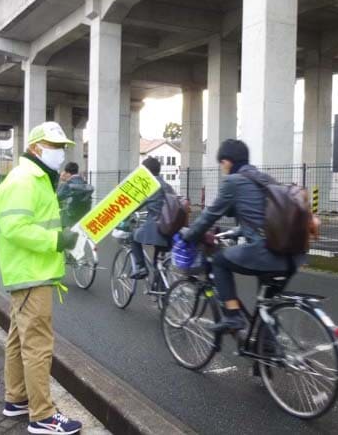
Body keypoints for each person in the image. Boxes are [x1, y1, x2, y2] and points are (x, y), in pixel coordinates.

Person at [0, 121, 83, 435]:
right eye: (54, 146)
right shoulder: (24, 180)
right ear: (35, 148)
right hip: (32, 273)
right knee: (38, 345)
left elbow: (39, 224)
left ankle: (16, 398)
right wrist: (58, 241)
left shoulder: (37, 179)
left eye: (62, 147)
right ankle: (43, 416)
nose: (60, 153)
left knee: (19, 340)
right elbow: (15, 229)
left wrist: (65, 242)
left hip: (29, 271)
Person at [181, 139, 305, 333]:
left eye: (221, 163)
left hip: (267, 253)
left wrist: (189, 236)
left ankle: (232, 316)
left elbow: (209, 216)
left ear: (227, 161)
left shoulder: (233, 182)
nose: (221, 168)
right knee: (266, 307)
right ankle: (269, 348)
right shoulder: (265, 180)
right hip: (293, 256)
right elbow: (265, 219)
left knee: (219, 261)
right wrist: (236, 231)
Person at [129, 156, 175, 279]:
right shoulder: (168, 185)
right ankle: (159, 289)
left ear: (146, 171)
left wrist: (125, 216)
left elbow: (135, 204)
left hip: (156, 226)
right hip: (171, 227)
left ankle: (141, 267)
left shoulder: (150, 185)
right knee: (159, 260)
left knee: (132, 237)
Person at [56, 162, 93, 228]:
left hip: (67, 221)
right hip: (83, 218)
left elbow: (56, 199)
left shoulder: (66, 185)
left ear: (67, 173)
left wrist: (62, 182)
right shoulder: (85, 184)